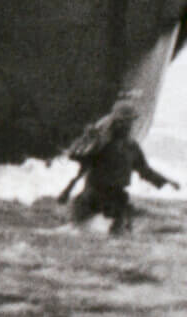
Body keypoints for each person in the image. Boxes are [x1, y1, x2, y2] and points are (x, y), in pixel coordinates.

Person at [60, 100, 179, 233]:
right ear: (115, 122)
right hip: (92, 198)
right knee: (81, 230)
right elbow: (75, 156)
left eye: (130, 121)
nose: (128, 125)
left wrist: (166, 181)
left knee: (118, 231)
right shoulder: (100, 143)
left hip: (115, 200)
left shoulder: (131, 146)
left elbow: (144, 170)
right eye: (124, 121)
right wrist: (86, 139)